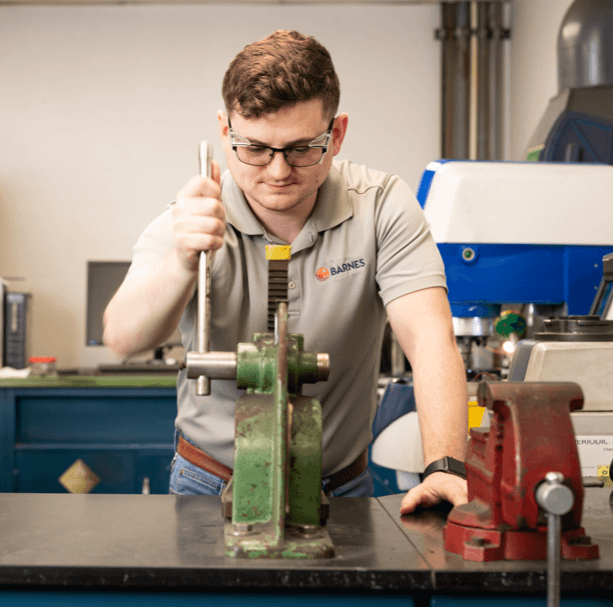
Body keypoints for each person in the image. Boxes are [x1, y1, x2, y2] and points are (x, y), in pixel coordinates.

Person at [103, 30, 468, 513]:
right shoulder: (195, 217)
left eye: (300, 148)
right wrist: (182, 261)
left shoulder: (381, 206)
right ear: (224, 131)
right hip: (209, 483)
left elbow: (428, 339)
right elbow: (122, 338)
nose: (277, 172)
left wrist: (444, 466)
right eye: (254, 149)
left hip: (339, 486)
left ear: (336, 134)